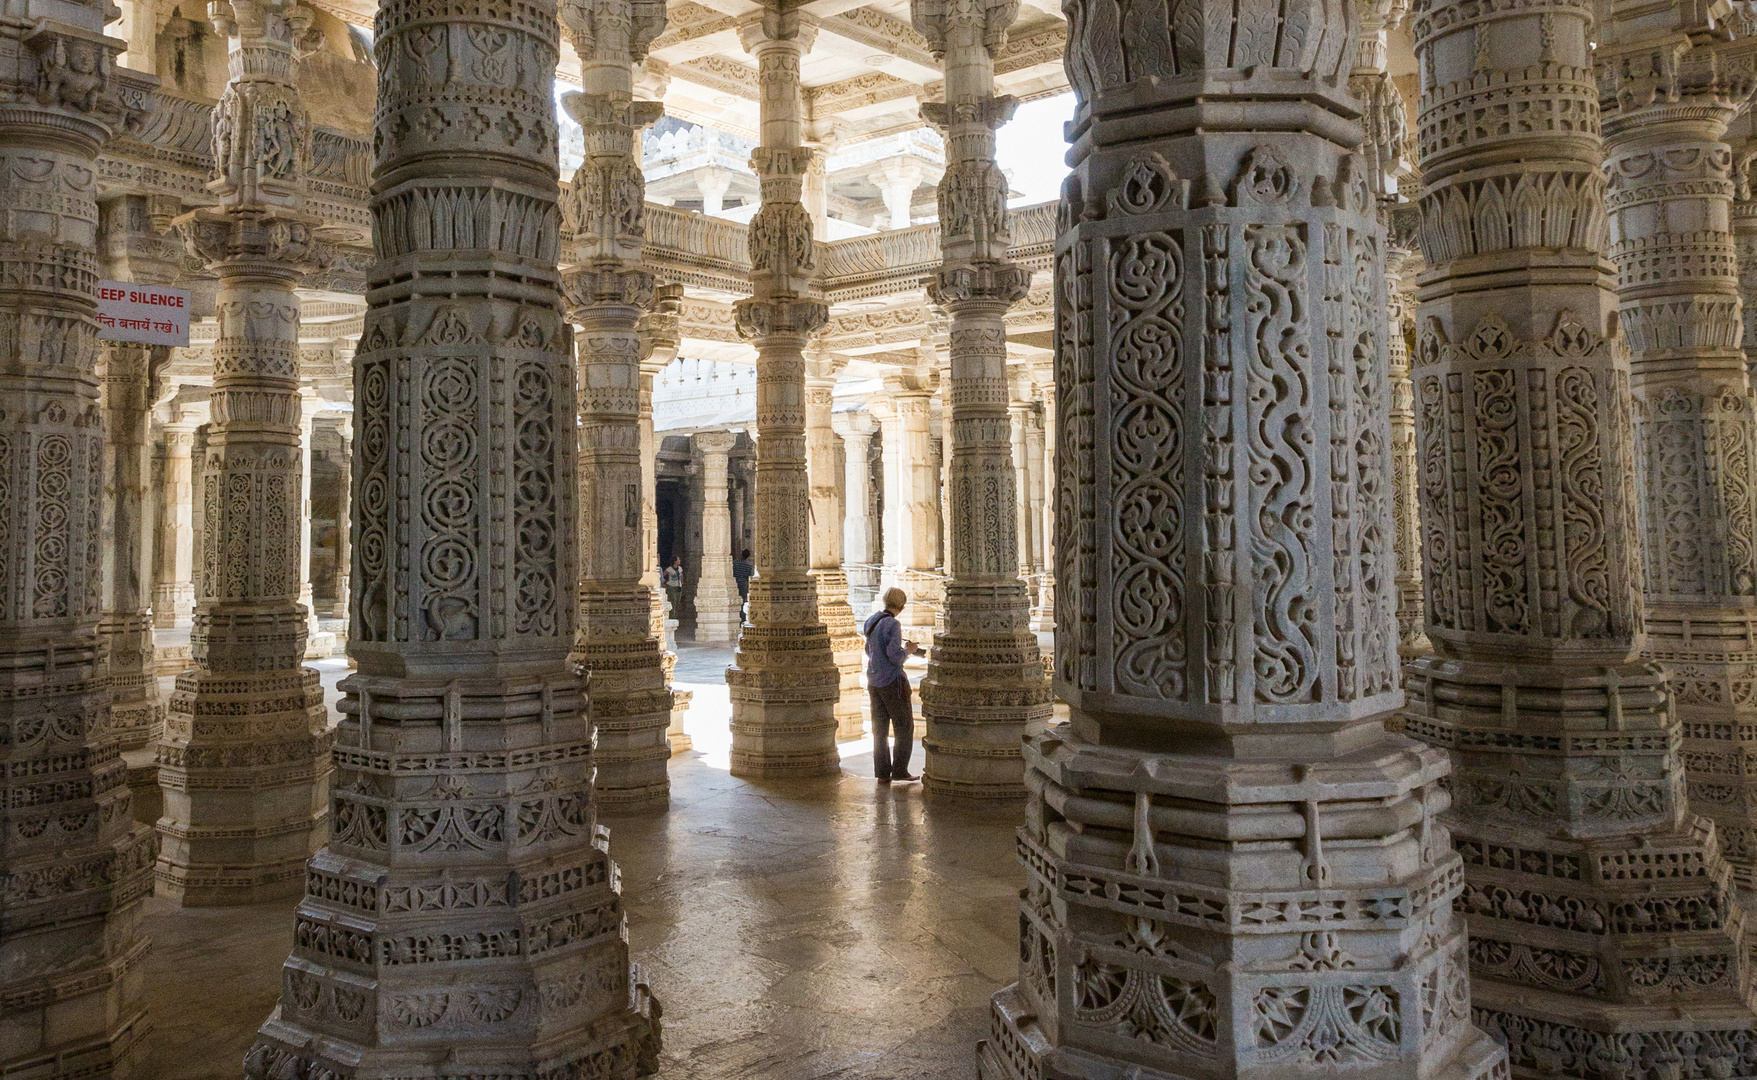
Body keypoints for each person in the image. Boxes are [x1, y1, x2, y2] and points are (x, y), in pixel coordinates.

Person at [863, 587, 923, 784]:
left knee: (879, 729)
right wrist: (909, 650)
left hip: (873, 680)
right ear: (902, 606)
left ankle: (882, 773)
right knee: (904, 726)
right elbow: (895, 657)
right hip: (892, 682)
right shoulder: (893, 624)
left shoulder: (871, 621)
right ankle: (899, 770)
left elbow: (869, 650)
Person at [732, 549, 754, 616]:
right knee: (742, 599)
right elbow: (749, 577)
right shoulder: (749, 565)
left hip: (735, 582)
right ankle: (741, 614)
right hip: (743, 584)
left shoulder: (735, 562)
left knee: (734, 598)